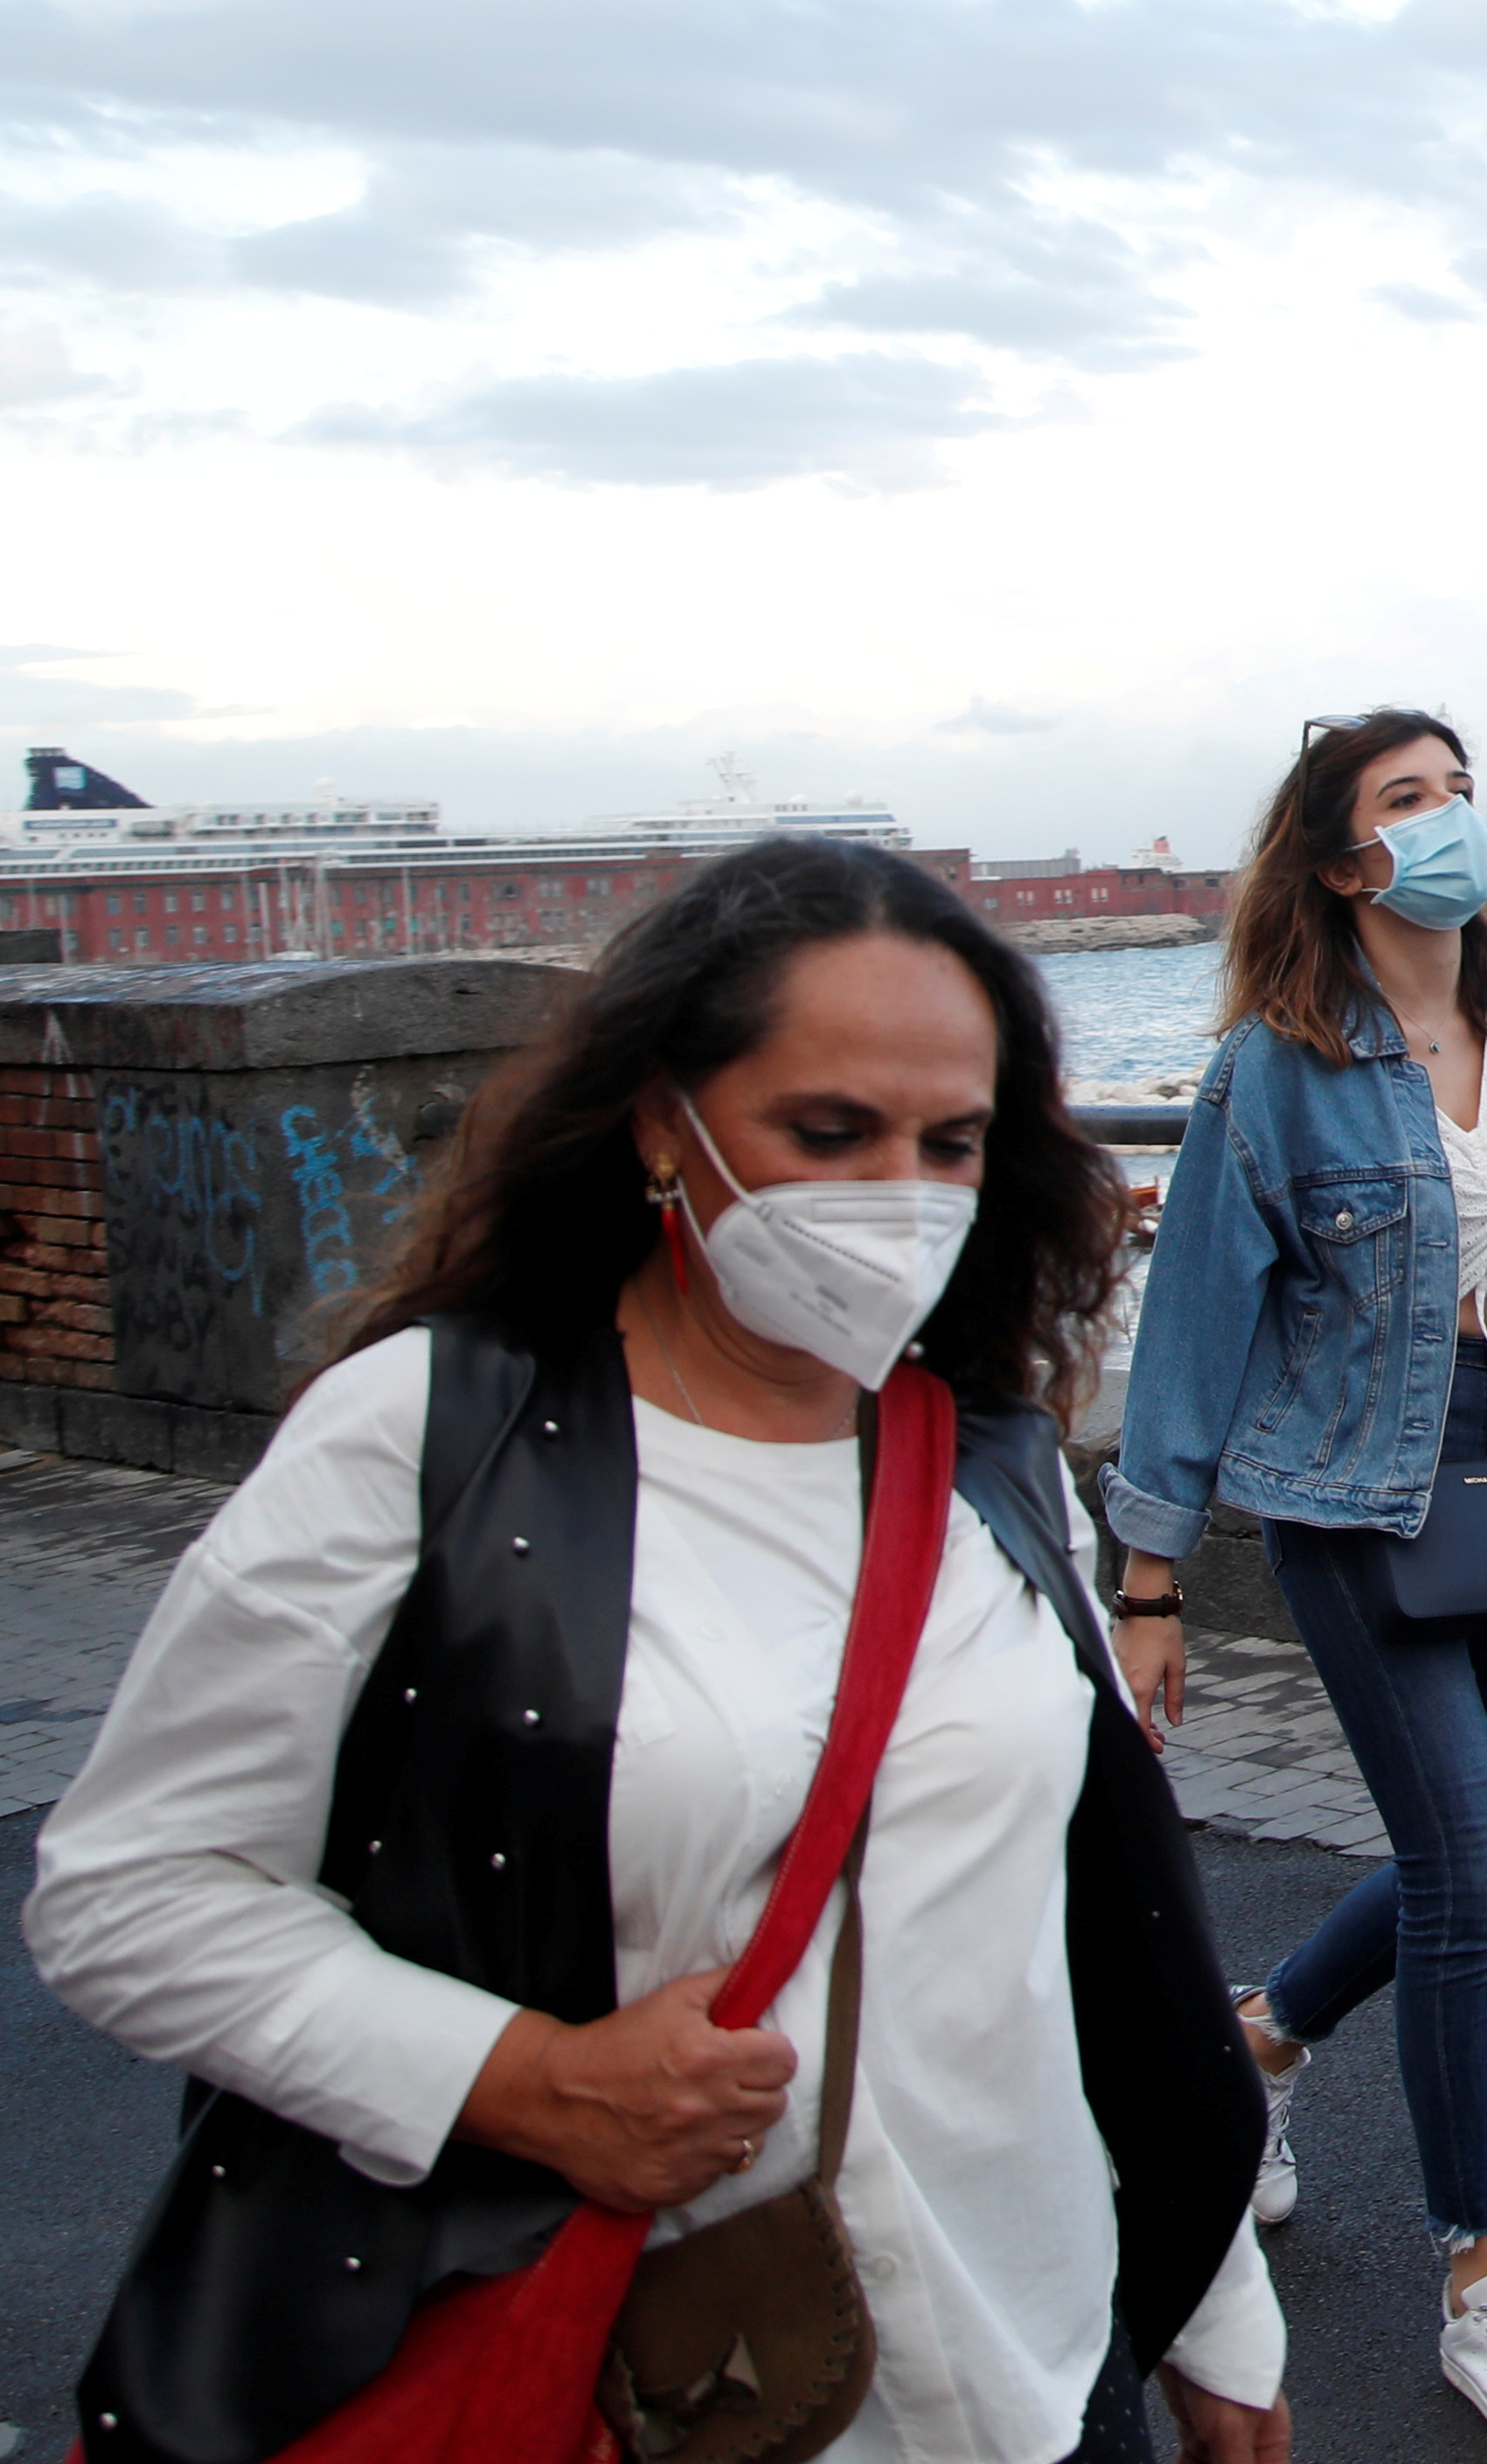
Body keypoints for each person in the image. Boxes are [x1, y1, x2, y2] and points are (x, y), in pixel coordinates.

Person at [28, 836, 1288, 2464]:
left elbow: (1086, 1914)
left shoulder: (995, 1459)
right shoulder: (431, 1436)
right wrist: (521, 2075)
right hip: (645, 2382)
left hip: (1036, 2368)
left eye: (950, 1142)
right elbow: (129, 1890)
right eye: (827, 1132)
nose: (897, 1195)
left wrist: (1212, 2301)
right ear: (657, 1121)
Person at [1103, 708, 1487, 2445]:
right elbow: (1191, 1323)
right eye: (1410, 801)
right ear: (1344, 863)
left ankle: (1258, 2043)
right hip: (1358, 1505)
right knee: (1469, 1870)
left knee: (1477, 1868)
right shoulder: (1276, 1065)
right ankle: (1478, 2275)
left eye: (1462, 792)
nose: (1451, 823)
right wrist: (1151, 1578)